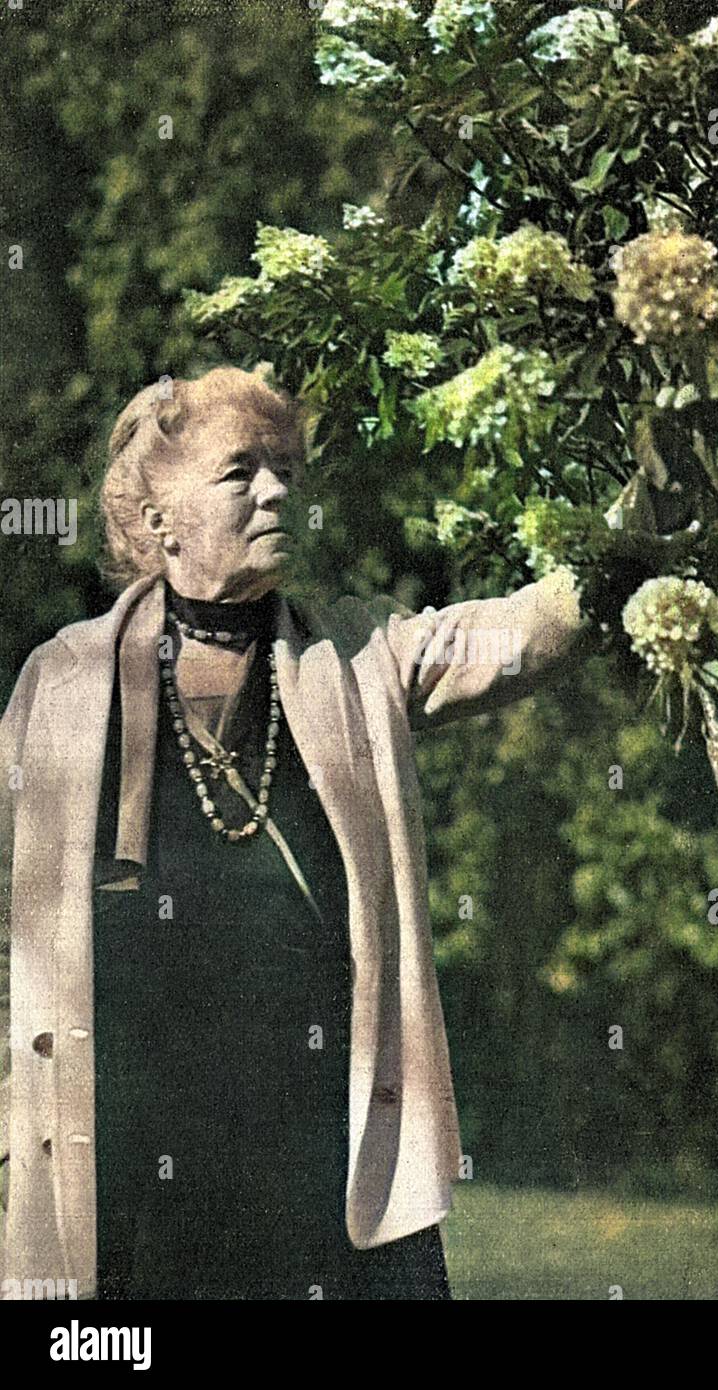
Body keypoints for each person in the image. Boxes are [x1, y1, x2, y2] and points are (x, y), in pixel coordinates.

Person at [0, 364, 605, 1300]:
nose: (277, 490)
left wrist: (626, 550)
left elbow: (513, 635)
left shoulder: (357, 652)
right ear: (161, 518)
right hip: (137, 1159)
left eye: (284, 467)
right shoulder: (62, 681)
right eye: (241, 471)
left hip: (322, 1147)